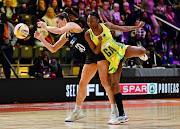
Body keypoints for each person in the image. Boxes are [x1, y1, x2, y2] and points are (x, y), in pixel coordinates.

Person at [34, 12, 118, 124]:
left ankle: (115, 112)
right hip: (90, 58)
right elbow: (53, 49)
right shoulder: (66, 35)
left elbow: (58, 30)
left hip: (100, 55)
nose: (57, 25)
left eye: (58, 22)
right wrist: (42, 39)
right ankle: (77, 111)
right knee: (82, 84)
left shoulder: (72, 25)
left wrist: (45, 26)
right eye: (56, 23)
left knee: (105, 83)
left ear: (64, 21)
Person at [84, 12, 149, 124]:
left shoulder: (106, 25)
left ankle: (141, 55)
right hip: (111, 59)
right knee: (114, 86)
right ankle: (122, 115)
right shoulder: (88, 34)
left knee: (143, 50)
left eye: (91, 20)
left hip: (119, 49)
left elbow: (123, 28)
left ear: (97, 20)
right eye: (88, 21)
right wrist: (99, 42)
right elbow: (95, 51)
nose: (89, 23)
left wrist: (137, 27)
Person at [0, 12, 17, 78]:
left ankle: (8, 78)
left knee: (6, 65)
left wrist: (12, 43)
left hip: (7, 47)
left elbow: (15, 35)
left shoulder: (9, 25)